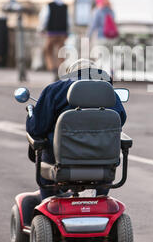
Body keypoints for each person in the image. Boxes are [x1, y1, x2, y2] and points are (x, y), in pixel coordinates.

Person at [26, 58, 127, 200]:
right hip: (103, 162)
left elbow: (36, 128)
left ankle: (49, 199)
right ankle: (98, 199)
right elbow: (120, 121)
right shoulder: (110, 93)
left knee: (42, 148)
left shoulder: (54, 90)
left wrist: (31, 116)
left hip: (61, 161)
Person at [39, 0, 69, 79]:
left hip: (52, 33)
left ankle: (53, 68)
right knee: (61, 52)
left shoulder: (49, 5)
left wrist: (41, 29)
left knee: (48, 51)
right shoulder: (64, 6)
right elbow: (68, 20)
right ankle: (61, 70)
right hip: (62, 33)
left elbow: (44, 18)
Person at [88, 0, 119, 75]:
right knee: (109, 58)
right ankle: (110, 73)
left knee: (100, 59)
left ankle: (101, 77)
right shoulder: (111, 10)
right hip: (112, 39)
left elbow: (93, 25)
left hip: (101, 38)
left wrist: (88, 36)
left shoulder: (98, 11)